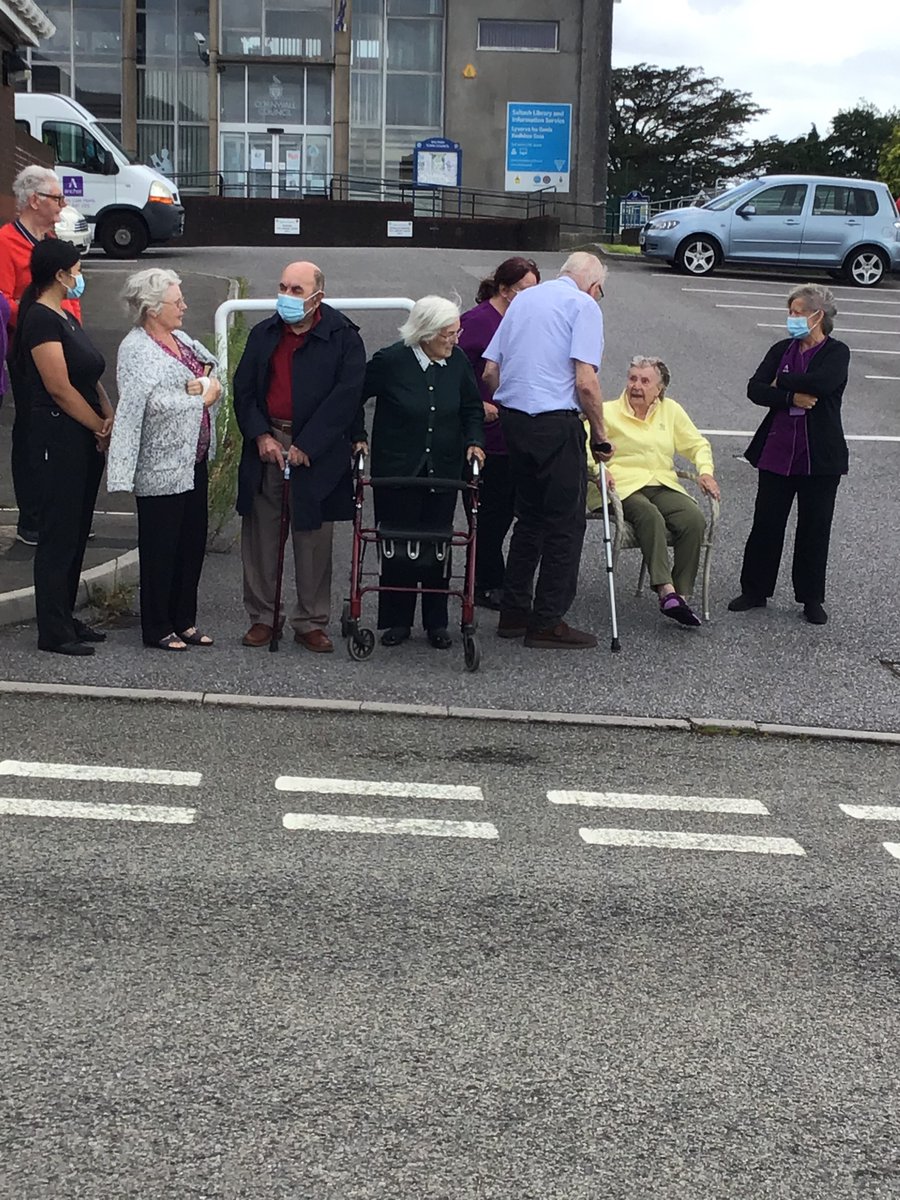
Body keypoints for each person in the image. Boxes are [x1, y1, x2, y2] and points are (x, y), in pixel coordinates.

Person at [233, 260, 366, 651]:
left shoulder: (343, 336)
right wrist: (260, 435)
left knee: (313, 539)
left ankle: (309, 620)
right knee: (261, 536)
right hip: (269, 441)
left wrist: (309, 445)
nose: (286, 297)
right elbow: (244, 391)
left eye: (296, 290)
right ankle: (263, 617)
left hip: (317, 448)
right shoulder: (264, 333)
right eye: (283, 287)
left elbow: (347, 397)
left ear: (317, 297)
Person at [481, 252, 611, 649]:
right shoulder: (583, 305)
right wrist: (600, 434)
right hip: (555, 422)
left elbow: (489, 371)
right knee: (564, 524)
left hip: (514, 419)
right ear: (593, 285)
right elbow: (585, 381)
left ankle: (514, 612)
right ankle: (548, 620)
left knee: (530, 518)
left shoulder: (523, 300)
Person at [357, 296, 485, 649]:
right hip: (398, 470)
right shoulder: (390, 361)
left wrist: (475, 441)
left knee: (438, 547)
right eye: (448, 334)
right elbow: (355, 397)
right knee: (397, 546)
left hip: (442, 470)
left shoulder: (456, 362)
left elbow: (472, 408)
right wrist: (358, 436)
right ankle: (396, 621)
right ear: (426, 333)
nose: (455, 340)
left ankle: (436, 622)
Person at [107, 269, 222, 651]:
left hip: (193, 457)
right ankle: (157, 626)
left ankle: (184, 620)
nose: (185, 307)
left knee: (192, 542)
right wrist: (199, 399)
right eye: (178, 302)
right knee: (161, 547)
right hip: (160, 465)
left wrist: (207, 384)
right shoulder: (136, 349)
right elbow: (147, 404)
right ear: (153, 309)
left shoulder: (181, 339)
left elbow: (208, 367)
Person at [728, 283, 850, 626]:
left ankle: (810, 597)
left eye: (798, 313)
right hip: (777, 450)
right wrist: (789, 397)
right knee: (766, 522)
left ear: (817, 316)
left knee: (814, 526)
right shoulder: (781, 348)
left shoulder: (837, 352)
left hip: (820, 456)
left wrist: (782, 381)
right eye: (790, 312)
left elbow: (824, 384)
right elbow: (755, 388)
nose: (791, 319)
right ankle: (755, 589)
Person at [15, 240, 112, 656]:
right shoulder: (38, 319)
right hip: (58, 436)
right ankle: (52, 630)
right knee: (58, 532)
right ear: (59, 275)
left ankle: (65, 613)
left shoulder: (64, 316)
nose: (79, 278)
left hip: (83, 438)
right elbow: (58, 387)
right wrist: (97, 425)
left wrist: (107, 412)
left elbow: (88, 372)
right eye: (76, 270)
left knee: (75, 531)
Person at [587, 356, 720, 627]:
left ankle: (681, 595)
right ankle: (665, 591)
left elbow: (697, 444)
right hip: (620, 486)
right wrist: (599, 469)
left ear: (659, 388)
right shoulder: (607, 411)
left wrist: (705, 471)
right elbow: (586, 443)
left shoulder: (670, 411)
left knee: (693, 518)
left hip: (661, 482)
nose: (636, 386)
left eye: (645, 381)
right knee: (650, 516)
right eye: (633, 378)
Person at [0, 166, 80, 546]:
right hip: (28, 349)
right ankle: (31, 520)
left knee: (62, 430)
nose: (63, 206)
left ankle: (59, 512)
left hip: (63, 343)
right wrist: (43, 317)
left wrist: (73, 332)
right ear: (35, 200)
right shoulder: (5, 242)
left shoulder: (50, 240)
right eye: (57, 198)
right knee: (32, 433)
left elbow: (70, 294)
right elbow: (2, 303)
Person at [458, 257, 540, 610]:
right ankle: (486, 581)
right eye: (525, 291)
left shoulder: (526, 321)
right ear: (505, 290)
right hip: (484, 432)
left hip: (516, 432)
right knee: (488, 512)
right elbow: (453, 373)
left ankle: (492, 577)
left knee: (507, 510)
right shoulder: (475, 324)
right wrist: (477, 403)